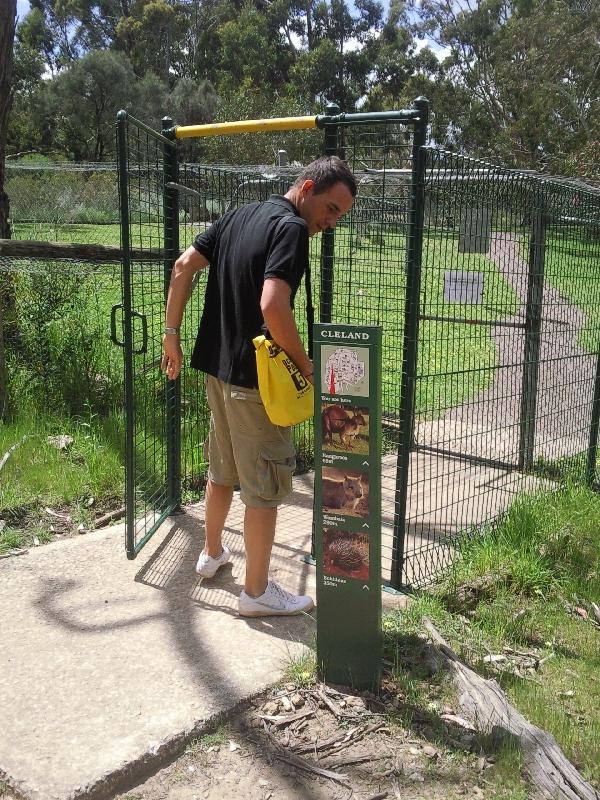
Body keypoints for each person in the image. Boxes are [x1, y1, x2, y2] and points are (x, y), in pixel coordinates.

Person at [161, 156, 356, 617]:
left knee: (223, 469)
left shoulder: (239, 215)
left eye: (339, 217)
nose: (330, 222)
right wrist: (308, 368)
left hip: (217, 370)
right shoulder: (289, 229)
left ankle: (211, 555)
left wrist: (172, 334)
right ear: (306, 187)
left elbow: (183, 265)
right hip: (256, 384)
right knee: (264, 484)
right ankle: (256, 592)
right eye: (329, 209)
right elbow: (273, 305)